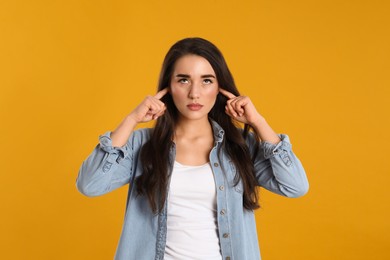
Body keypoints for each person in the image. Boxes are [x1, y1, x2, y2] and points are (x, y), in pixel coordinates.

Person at [76, 37, 309, 260]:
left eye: (206, 80)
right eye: (183, 80)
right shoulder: (142, 145)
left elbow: (295, 186)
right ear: (168, 86)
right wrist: (130, 120)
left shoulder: (240, 146)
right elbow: (90, 185)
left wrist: (258, 122)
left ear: (220, 88)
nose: (194, 93)